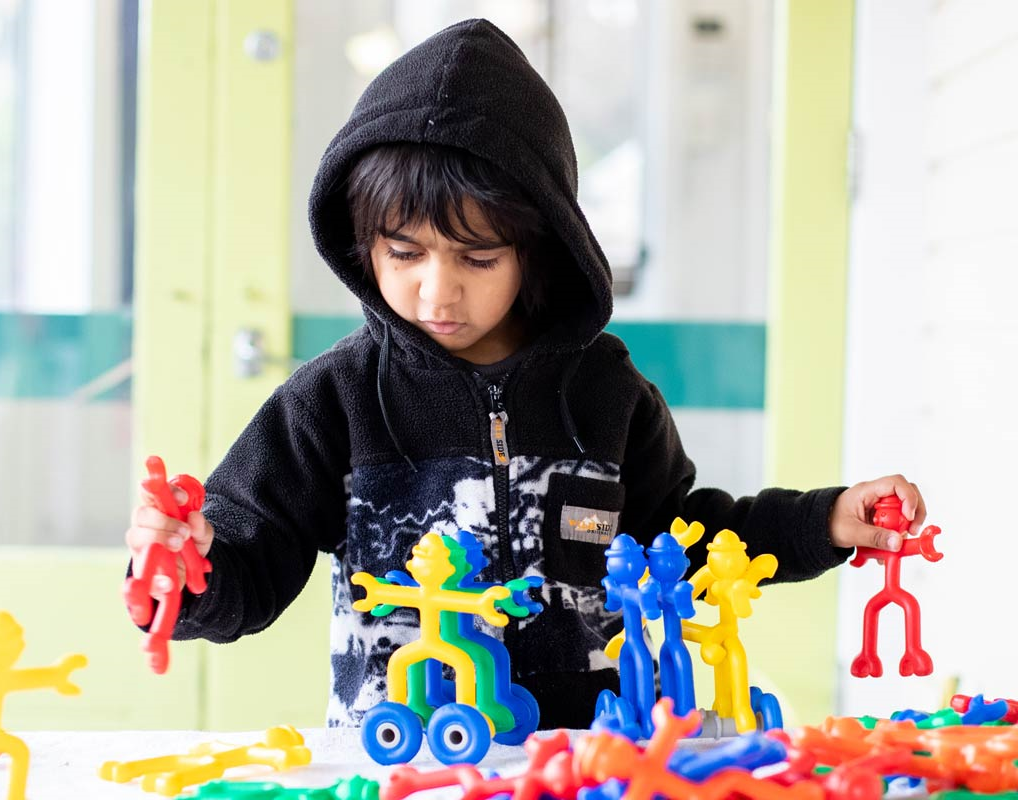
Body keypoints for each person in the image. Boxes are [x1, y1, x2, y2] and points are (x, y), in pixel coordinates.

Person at [125, 18, 927, 729]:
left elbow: (684, 538)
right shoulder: (333, 400)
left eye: (477, 257)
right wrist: (188, 570)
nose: (437, 289)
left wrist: (820, 523)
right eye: (403, 253)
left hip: (583, 754)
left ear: (538, 249)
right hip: (398, 756)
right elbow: (248, 564)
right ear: (361, 240)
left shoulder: (605, 391)